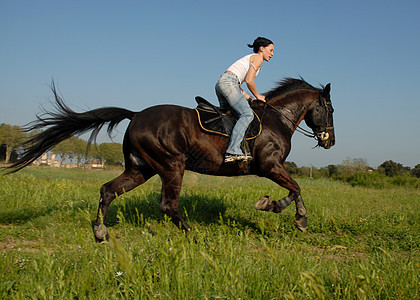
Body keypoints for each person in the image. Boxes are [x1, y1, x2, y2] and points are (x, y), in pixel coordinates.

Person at [215, 37, 274, 163]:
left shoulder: (250, 58)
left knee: (230, 117)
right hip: (229, 83)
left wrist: (250, 99)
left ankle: (221, 148)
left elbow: (238, 85)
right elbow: (249, 80)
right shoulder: (258, 58)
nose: (272, 54)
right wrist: (258, 95)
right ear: (261, 49)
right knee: (247, 114)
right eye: (271, 50)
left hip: (223, 83)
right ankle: (233, 150)